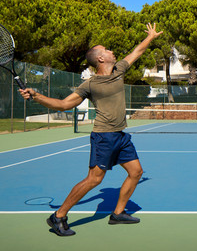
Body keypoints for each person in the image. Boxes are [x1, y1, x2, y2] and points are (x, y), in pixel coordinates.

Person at [19, 22, 163, 237]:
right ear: (100, 58)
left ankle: (118, 213)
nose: (112, 51)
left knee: (136, 172)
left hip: (121, 136)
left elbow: (137, 52)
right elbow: (63, 104)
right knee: (95, 180)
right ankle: (58, 216)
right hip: (104, 136)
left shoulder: (119, 69)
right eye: (107, 50)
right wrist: (37, 96)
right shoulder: (90, 85)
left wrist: (150, 37)